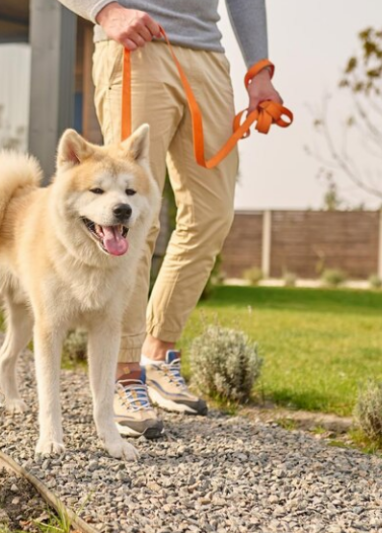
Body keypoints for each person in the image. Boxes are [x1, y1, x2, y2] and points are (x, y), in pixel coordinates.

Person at [57, 0, 283, 437]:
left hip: (207, 54)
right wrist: (104, 10)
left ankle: (157, 351)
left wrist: (260, 67)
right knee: (133, 218)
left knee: (213, 212)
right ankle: (123, 374)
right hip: (136, 45)